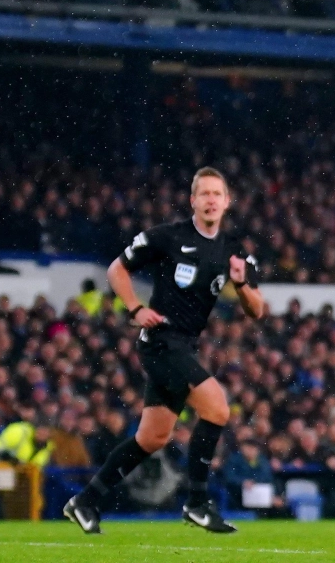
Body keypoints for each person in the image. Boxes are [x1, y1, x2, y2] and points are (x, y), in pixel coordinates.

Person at [64, 167, 266, 534]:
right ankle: (197, 503)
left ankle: (86, 500)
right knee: (218, 408)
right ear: (192, 201)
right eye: (203, 194)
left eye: (216, 194)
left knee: (153, 438)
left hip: (185, 345)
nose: (209, 200)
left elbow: (257, 310)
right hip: (160, 341)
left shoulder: (235, 251)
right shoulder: (168, 237)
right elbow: (116, 270)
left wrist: (241, 285)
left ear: (227, 202)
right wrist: (135, 308)